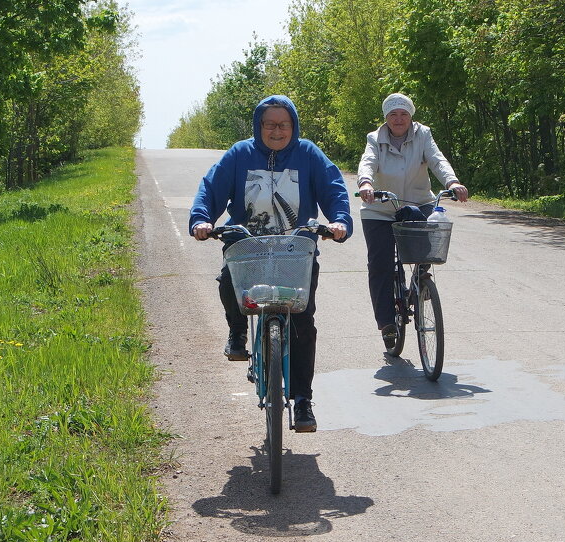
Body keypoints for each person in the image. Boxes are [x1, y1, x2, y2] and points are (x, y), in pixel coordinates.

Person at [190, 95, 351, 432]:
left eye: (284, 124)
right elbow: (210, 189)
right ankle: (237, 333)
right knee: (226, 283)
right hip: (247, 246)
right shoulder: (239, 155)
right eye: (270, 124)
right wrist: (202, 220)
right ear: (258, 126)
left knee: (302, 323)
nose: (277, 131)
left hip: (296, 251)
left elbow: (334, 188)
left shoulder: (308, 154)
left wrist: (339, 222)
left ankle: (303, 400)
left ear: (293, 126)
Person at [356, 93, 469, 351]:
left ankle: (420, 280)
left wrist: (452, 182)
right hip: (381, 207)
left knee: (430, 240)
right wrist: (365, 183)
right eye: (393, 115)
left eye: (404, 114)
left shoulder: (423, 135)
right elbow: (368, 162)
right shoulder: (375, 138)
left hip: (418, 202)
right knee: (380, 263)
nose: (399, 119)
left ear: (411, 116)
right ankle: (386, 323)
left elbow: (437, 159)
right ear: (386, 118)